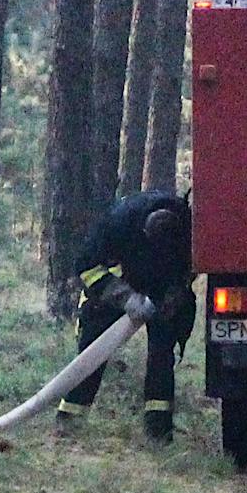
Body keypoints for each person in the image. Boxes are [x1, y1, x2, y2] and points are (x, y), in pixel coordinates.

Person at [55, 190, 196, 443]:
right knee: (93, 350)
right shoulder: (119, 222)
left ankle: (158, 431)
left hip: (163, 288)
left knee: (162, 354)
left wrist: (174, 294)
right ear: (142, 232)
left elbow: (194, 265)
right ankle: (70, 421)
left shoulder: (187, 225)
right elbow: (86, 267)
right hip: (119, 284)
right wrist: (125, 298)